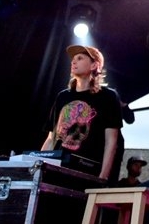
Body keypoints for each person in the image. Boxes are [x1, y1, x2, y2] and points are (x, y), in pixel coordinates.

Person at [41, 44, 123, 183]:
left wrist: (102, 177)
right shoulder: (63, 96)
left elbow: (111, 141)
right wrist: (38, 167)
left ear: (94, 65)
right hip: (56, 169)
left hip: (87, 171)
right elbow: (51, 138)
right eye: (73, 59)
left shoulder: (108, 96)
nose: (73, 62)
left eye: (80, 58)